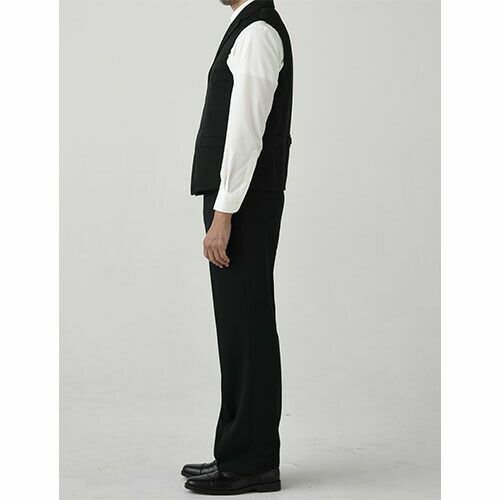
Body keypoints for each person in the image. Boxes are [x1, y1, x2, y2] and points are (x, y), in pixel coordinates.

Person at [184, 0, 293, 494]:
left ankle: (251, 463)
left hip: (242, 202)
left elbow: (246, 131)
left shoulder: (257, 32)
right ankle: (235, 451)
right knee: (237, 328)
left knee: (247, 327)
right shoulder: (246, 27)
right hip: (238, 198)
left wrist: (224, 213)